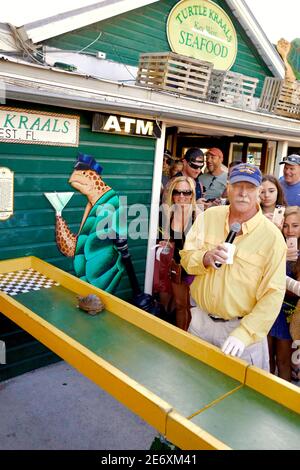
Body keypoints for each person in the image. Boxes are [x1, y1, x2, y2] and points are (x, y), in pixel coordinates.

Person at [180, 163, 287, 369]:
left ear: (259, 192)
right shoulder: (208, 217)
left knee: (239, 398)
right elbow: (186, 258)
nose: (243, 193)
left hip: (240, 335)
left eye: (250, 187)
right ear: (228, 187)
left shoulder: (272, 238)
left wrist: (244, 334)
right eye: (238, 186)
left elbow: (273, 294)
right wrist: (205, 258)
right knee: (191, 386)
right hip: (200, 323)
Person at [158, 176, 198, 330]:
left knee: (194, 308)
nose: (182, 196)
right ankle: (182, 338)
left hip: (196, 268)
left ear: (192, 195)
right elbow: (167, 240)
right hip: (178, 267)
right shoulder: (168, 214)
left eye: (186, 192)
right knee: (181, 306)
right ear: (172, 194)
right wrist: (165, 243)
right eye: (177, 192)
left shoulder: (199, 215)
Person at [268, 206, 300, 381]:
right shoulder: (275, 246)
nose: (290, 231)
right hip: (268, 307)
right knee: (266, 359)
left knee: (283, 360)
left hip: (289, 314)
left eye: (295, 225)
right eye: (285, 226)